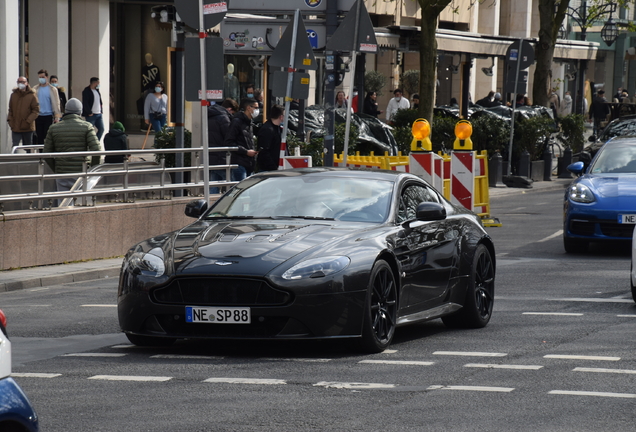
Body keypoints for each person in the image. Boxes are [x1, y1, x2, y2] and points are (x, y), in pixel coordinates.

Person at [43, 98, 101, 201]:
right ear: (80, 112)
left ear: (65, 111)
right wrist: (92, 168)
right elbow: (96, 149)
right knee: (82, 203)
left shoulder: (54, 128)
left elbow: (46, 153)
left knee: (63, 204)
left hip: (62, 172)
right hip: (81, 172)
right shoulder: (87, 127)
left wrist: (56, 168)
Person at [224, 98, 259, 181]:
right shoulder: (237, 121)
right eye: (256, 108)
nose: (258, 110)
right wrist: (246, 152)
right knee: (240, 190)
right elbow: (229, 142)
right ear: (248, 108)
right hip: (239, 163)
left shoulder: (249, 122)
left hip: (248, 163)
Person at [208, 98, 238, 194]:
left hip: (211, 155)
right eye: (233, 112)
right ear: (229, 109)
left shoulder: (210, 115)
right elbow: (228, 136)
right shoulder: (223, 118)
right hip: (221, 156)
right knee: (232, 184)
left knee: (213, 183)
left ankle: (211, 205)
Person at [7, 76, 40, 148]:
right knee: (15, 146)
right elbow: (10, 110)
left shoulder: (32, 96)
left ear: (26, 83)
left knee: (28, 146)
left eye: (23, 82)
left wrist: (28, 121)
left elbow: (36, 110)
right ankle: (14, 159)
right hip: (15, 126)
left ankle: (29, 159)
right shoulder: (13, 95)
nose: (21, 84)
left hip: (27, 126)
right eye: (19, 82)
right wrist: (10, 121)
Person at [32, 69, 62, 144]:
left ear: (47, 77)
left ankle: (47, 153)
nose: (41, 79)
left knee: (47, 136)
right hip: (38, 116)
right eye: (40, 77)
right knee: (39, 136)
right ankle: (41, 154)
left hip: (48, 115)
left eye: (43, 77)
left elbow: (56, 103)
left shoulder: (52, 89)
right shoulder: (35, 89)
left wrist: (57, 117)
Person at [256, 104, 285, 172]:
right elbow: (264, 151)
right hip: (268, 170)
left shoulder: (277, 128)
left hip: (274, 168)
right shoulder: (267, 130)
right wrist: (274, 168)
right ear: (281, 117)